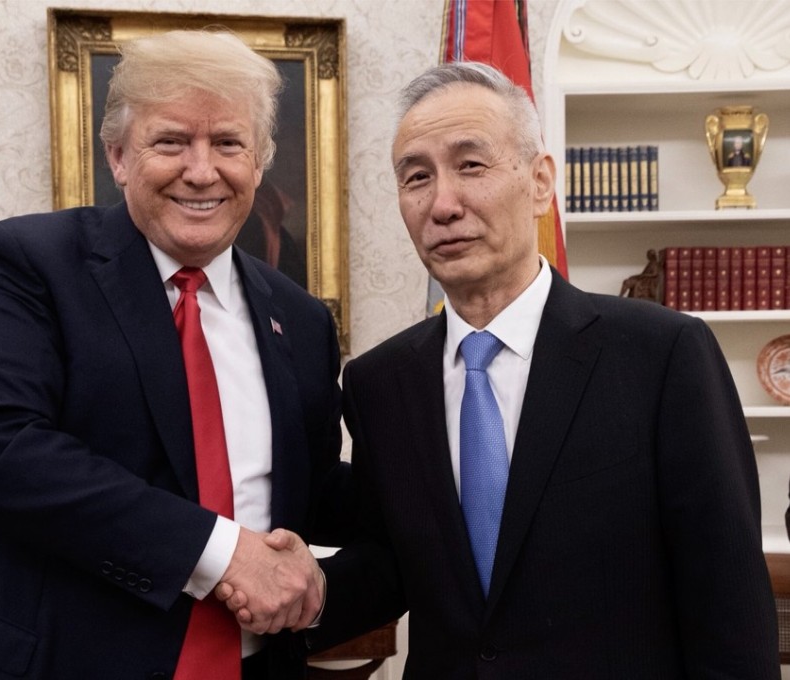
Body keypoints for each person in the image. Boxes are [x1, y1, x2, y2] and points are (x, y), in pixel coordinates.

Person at [252, 61, 779, 678]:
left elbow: (728, 598)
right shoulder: (379, 383)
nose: (442, 204)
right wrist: (304, 588)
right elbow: (399, 563)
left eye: (471, 165)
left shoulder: (662, 354)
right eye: (416, 177)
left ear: (539, 182)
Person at [0, 29, 349, 680]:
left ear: (259, 162)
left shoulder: (304, 321)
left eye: (228, 143)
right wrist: (221, 552)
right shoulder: (27, 263)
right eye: (171, 141)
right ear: (118, 156)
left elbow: (311, 496)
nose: (201, 171)